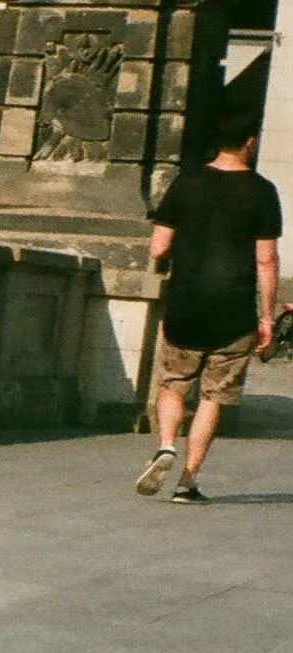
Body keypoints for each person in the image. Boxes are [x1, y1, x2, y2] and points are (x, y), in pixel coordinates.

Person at [142, 107, 281, 504]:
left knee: (172, 384)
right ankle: (187, 482)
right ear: (249, 142)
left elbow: (159, 246)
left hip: (186, 303)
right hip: (233, 310)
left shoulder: (186, 183)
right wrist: (266, 317)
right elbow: (266, 260)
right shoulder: (262, 191)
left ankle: (167, 444)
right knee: (213, 395)